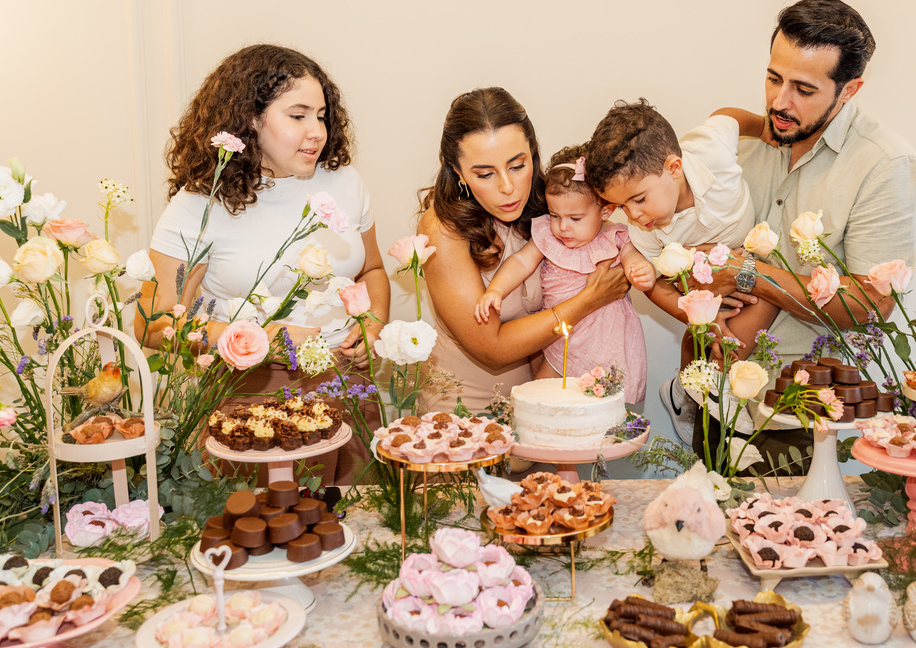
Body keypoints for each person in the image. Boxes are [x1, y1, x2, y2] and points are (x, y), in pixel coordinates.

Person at [137, 44, 389, 485]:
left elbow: (372, 270)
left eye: (322, 115)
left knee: (354, 530)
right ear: (250, 119)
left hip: (345, 386)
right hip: (249, 401)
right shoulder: (200, 203)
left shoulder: (345, 183)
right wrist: (252, 339)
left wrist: (374, 323)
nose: (317, 132)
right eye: (298, 116)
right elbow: (153, 324)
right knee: (261, 531)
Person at [709, 0, 916, 466]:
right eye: (773, 78)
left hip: (804, 421)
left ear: (849, 91)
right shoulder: (742, 144)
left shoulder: (885, 164)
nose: (779, 102)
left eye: (804, 89)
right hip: (717, 401)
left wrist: (752, 275)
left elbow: (871, 304)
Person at [416, 87, 631, 414]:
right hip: (465, 410)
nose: (507, 186)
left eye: (518, 165)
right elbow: (493, 346)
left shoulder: (549, 207)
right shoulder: (443, 229)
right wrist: (589, 300)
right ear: (457, 171)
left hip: (542, 400)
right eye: (485, 173)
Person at [583, 99, 779, 437]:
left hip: (741, 257)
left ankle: (688, 391)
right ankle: (709, 390)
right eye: (621, 206)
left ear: (675, 168)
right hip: (694, 277)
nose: (632, 215)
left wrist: (762, 128)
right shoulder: (644, 230)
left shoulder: (709, 151)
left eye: (639, 199)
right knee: (721, 324)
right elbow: (652, 285)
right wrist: (698, 315)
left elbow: (726, 116)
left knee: (769, 287)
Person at [472, 144, 654, 403]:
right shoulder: (549, 235)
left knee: (600, 404)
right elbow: (521, 262)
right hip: (562, 334)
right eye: (555, 215)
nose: (562, 227)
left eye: (575, 218)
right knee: (543, 397)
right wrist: (495, 289)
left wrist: (641, 270)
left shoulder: (614, 236)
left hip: (603, 337)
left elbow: (633, 259)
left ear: (605, 210)